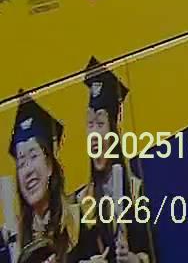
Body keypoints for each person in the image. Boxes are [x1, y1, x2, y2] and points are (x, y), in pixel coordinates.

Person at [69, 60, 152, 263]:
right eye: (89, 124)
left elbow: (151, 249)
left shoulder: (135, 190)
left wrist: (133, 259)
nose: (94, 135)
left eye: (100, 123)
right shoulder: (83, 201)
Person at [8, 96, 79, 263]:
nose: (28, 171)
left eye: (33, 156)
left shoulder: (79, 223)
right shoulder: (16, 240)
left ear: (49, 165)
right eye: (21, 163)